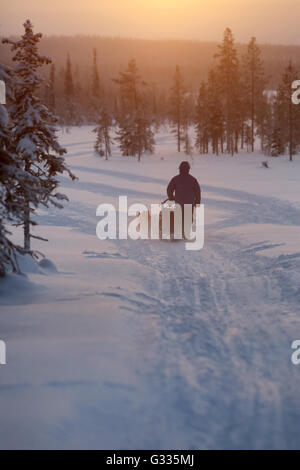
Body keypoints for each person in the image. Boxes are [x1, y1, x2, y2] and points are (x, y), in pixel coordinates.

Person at [166, 161, 201, 239]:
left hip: (179, 202)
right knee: (188, 217)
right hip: (190, 203)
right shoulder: (193, 179)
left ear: (180, 169)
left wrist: (171, 197)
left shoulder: (175, 179)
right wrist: (197, 202)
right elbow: (198, 191)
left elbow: (169, 189)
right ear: (188, 169)